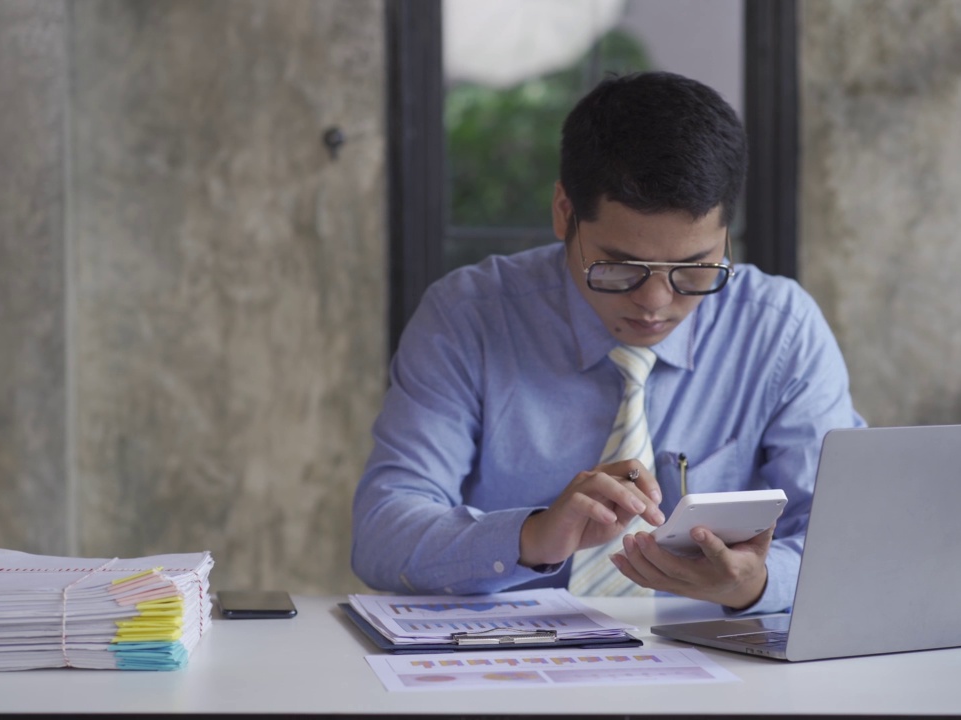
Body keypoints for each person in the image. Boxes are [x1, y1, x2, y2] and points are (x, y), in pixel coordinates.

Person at [351, 70, 865, 614]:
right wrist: (532, 537)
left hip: (714, 666)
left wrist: (757, 584)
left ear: (725, 236)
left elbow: (849, 539)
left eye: (694, 269)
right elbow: (382, 532)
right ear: (563, 212)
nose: (655, 301)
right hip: (513, 670)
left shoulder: (779, 328)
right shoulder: (468, 317)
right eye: (619, 268)